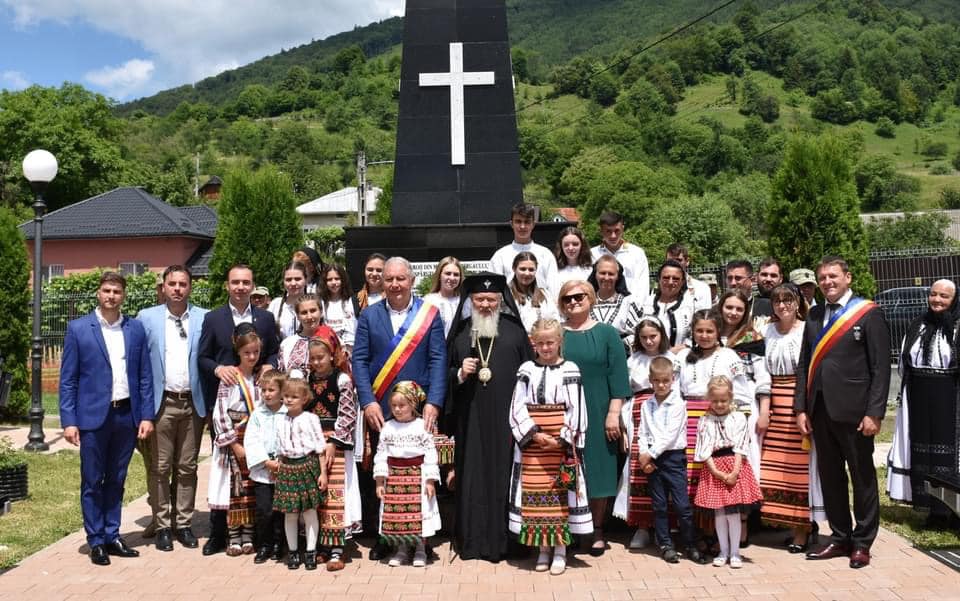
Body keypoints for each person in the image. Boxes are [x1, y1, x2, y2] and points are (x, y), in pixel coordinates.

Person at [796, 256, 891, 569]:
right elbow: (804, 364)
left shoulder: (868, 313)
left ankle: (862, 543)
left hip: (855, 412)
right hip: (820, 410)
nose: (827, 282)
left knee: (862, 478)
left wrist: (874, 412)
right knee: (831, 477)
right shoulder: (814, 314)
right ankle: (839, 537)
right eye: (823, 277)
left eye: (833, 276)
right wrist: (801, 407)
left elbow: (880, 368)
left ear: (847, 278)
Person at [352, 256, 447, 559]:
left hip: (418, 409)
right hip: (380, 407)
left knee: (418, 472)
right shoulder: (369, 316)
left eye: (400, 279)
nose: (394, 284)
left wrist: (434, 402)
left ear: (412, 281)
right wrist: (367, 401)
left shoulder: (429, 314)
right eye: (389, 279)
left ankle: (420, 536)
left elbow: (438, 359)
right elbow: (359, 360)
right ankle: (385, 536)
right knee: (383, 472)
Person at [59, 271, 154, 566]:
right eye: (107, 290)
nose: (111, 296)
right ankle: (96, 540)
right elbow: (68, 380)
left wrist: (147, 416)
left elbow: (145, 376)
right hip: (92, 417)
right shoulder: (78, 329)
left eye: (116, 291)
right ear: (98, 293)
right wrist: (69, 420)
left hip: (126, 415)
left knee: (117, 478)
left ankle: (113, 535)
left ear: (123, 295)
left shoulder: (135, 329)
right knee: (92, 480)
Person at [446, 272, 534, 561]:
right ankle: (472, 542)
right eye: (479, 299)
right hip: (470, 419)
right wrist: (460, 373)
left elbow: (530, 375)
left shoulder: (515, 331)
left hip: (507, 421)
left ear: (500, 300)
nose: (485, 305)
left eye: (491, 299)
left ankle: (508, 543)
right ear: (470, 301)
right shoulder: (461, 333)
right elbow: (444, 374)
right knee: (472, 476)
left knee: (505, 475)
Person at [198, 264, 280, 555]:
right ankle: (218, 534)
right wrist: (218, 369)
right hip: (229, 407)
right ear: (227, 285)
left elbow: (274, 350)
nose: (241, 287)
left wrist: (269, 364)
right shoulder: (213, 318)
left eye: (246, 282)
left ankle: (256, 533)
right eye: (236, 282)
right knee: (226, 478)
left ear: (252, 285)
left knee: (256, 479)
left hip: (258, 408)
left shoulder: (265, 318)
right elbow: (203, 357)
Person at [508, 319, 591, 575]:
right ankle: (543, 549)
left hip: (560, 446)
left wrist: (561, 439)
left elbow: (577, 408)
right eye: (541, 343)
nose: (546, 348)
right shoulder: (526, 369)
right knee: (535, 497)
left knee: (559, 496)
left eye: (550, 342)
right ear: (534, 343)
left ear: (560, 342)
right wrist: (535, 434)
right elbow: (517, 406)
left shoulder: (570, 369)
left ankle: (561, 551)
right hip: (533, 447)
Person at [136, 265, 209, 552]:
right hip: (161, 403)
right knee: (160, 467)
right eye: (172, 284)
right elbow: (138, 362)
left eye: (183, 284)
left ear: (190, 287)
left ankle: (184, 523)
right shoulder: (147, 318)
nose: (177, 289)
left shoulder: (203, 317)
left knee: (187, 466)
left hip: (192, 403)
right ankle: (162, 525)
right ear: (164, 287)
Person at [558, 279, 631, 555]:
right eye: (567, 298)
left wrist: (614, 413)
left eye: (579, 296)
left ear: (591, 298)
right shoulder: (557, 333)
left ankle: (596, 528)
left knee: (599, 469)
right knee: (568, 469)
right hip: (564, 411)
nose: (573, 302)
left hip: (599, 408)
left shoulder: (607, 333)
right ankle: (569, 528)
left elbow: (618, 375)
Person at [888, 280, 960, 528]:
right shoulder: (917, 324)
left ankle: (952, 511)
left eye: (944, 296)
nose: (937, 300)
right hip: (918, 396)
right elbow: (906, 362)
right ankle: (931, 509)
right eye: (933, 294)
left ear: (954, 300)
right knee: (922, 451)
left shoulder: (958, 327)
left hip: (950, 398)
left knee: (950, 454)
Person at [678, 310, 752, 549]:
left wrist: (735, 422)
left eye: (709, 331)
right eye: (699, 331)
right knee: (691, 477)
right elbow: (676, 390)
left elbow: (741, 393)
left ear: (718, 331)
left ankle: (717, 537)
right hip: (688, 421)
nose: (704, 335)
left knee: (714, 476)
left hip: (720, 419)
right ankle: (696, 534)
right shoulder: (684, 357)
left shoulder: (729, 356)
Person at [759, 284, 823, 552]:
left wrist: (803, 408)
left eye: (788, 300)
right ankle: (785, 522)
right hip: (772, 400)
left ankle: (802, 530)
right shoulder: (766, 331)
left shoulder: (807, 329)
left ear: (798, 303)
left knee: (799, 468)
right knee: (774, 466)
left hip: (797, 401)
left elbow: (810, 370)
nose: (782, 305)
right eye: (777, 301)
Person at [614, 316, 676, 549]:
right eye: (644, 337)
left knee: (665, 467)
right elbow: (625, 392)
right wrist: (623, 425)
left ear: (662, 335)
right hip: (639, 415)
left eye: (653, 336)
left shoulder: (673, 359)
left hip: (666, 413)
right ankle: (642, 526)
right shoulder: (634, 360)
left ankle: (664, 527)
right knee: (640, 467)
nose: (649, 341)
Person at [634, 356, 702, 564]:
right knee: (659, 505)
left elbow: (670, 435)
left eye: (665, 380)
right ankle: (665, 544)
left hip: (673, 458)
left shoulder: (678, 404)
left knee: (682, 505)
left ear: (673, 379)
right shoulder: (647, 405)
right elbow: (643, 432)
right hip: (652, 459)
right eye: (657, 381)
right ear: (650, 381)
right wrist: (643, 455)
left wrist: (649, 454)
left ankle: (690, 543)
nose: (661, 385)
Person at [693, 376, 763, 569]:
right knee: (719, 514)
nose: (719, 404)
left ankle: (735, 553)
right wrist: (717, 473)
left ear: (731, 397)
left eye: (723, 400)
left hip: (735, 466)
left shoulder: (738, 417)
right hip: (714, 467)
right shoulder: (705, 420)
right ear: (709, 399)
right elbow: (704, 449)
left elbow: (741, 446)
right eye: (715, 400)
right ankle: (723, 551)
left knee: (733, 514)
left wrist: (734, 472)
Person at [308, 332, 362, 571]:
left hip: (336, 445)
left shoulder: (342, 380)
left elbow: (348, 414)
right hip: (313, 443)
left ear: (332, 355)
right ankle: (322, 546)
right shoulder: (307, 380)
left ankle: (337, 549)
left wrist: (333, 442)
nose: (317, 362)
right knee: (317, 495)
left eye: (321, 357)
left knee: (335, 496)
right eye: (313, 358)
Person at [207, 323, 262, 557]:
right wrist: (234, 443)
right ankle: (234, 535)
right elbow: (220, 413)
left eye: (256, 352)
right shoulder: (230, 378)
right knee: (234, 488)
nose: (252, 357)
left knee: (251, 487)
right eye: (247, 352)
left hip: (255, 439)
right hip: (234, 440)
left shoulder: (260, 377)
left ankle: (248, 534)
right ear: (238, 352)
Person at [374, 381, 442, 568]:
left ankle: (420, 549)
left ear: (412, 404)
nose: (397, 409)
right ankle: (402, 550)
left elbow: (430, 453)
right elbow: (381, 454)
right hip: (394, 479)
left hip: (417, 477)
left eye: (402, 405)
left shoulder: (422, 426)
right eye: (393, 405)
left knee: (418, 515)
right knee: (399, 516)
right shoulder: (387, 427)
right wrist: (379, 481)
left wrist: (430, 481)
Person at [274, 375, 328, 570]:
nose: (289, 400)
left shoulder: (311, 418)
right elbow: (279, 448)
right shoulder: (279, 419)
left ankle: (311, 551)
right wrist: (278, 467)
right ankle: (293, 551)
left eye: (294, 396)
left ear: (304, 398)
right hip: (287, 468)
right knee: (290, 513)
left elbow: (320, 448)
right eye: (286, 396)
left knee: (309, 511)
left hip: (307, 465)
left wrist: (323, 473)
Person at [244, 369, 287, 563]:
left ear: (282, 391)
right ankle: (264, 545)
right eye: (264, 390)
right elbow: (251, 440)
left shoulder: (288, 414)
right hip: (263, 471)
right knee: (264, 510)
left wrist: (281, 462)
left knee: (281, 511)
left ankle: (279, 544)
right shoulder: (257, 415)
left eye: (271, 390)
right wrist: (266, 461)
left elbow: (292, 438)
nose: (267, 394)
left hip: (283, 470)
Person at [489, 202, 559, 297]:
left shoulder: (546, 254)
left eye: (527, 222)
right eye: (518, 221)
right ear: (511, 224)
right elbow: (494, 290)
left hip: (541, 305)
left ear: (533, 224)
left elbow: (554, 288)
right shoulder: (500, 256)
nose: (522, 226)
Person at [591, 211, 650, 301]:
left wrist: (634, 307)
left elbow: (643, 286)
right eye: (608, 231)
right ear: (601, 231)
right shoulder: (592, 254)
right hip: (599, 305)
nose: (613, 236)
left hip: (630, 305)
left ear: (623, 228)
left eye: (617, 231)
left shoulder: (637, 253)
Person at [588, 255, 645, 347]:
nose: (606, 277)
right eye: (602, 273)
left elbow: (638, 334)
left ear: (618, 276)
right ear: (595, 274)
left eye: (611, 274)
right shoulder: (586, 303)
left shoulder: (629, 303)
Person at [642, 260, 696, 352]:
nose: (670, 282)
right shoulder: (646, 303)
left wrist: (672, 352)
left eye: (675, 279)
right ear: (659, 279)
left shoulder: (691, 305)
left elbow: (695, 336)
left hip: (680, 357)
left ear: (683, 281)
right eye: (666, 278)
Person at [510, 251, 561, 333]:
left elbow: (555, 319)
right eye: (522, 269)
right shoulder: (506, 295)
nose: (527, 273)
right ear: (514, 269)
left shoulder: (544, 294)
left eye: (531, 270)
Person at [278, 294, 325, 375]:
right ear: (298, 316)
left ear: (321, 312)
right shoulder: (287, 344)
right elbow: (281, 375)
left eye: (313, 311)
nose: (309, 317)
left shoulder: (331, 339)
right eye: (304, 313)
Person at [320, 264, 359, 351]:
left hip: (349, 350)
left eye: (337, 279)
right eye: (329, 279)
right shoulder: (320, 302)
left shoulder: (352, 301)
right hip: (327, 349)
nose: (333, 282)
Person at [423, 256, 465, 337]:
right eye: (448, 273)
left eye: (456, 275)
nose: (452, 278)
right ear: (439, 275)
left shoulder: (464, 301)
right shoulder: (429, 301)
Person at [268, 261, 309, 339]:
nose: (293, 283)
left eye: (297, 279)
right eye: (288, 280)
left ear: (306, 280)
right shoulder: (275, 304)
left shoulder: (314, 303)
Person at [666, 243, 712, 312]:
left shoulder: (702, 289)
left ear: (687, 261)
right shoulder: (659, 289)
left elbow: (704, 317)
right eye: (670, 261)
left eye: (679, 260)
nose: (674, 264)